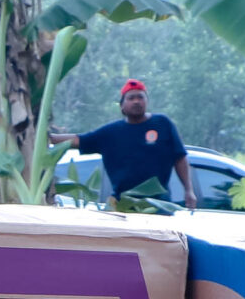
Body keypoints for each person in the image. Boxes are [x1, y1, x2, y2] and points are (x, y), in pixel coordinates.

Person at [51, 79, 198, 207]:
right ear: (122, 106)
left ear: (146, 101)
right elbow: (78, 140)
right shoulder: (110, 133)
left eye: (140, 97)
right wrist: (48, 137)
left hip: (158, 204)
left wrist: (188, 190)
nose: (136, 101)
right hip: (122, 205)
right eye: (131, 98)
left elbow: (180, 157)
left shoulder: (162, 124)